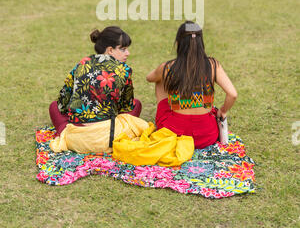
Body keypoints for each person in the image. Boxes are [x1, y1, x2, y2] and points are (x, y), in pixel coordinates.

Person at [49, 27, 144, 152]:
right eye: (123, 49)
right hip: (110, 139)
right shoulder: (124, 69)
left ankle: (65, 133)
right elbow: (126, 107)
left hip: (77, 140)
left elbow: (62, 104)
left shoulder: (82, 64)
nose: (128, 53)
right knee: (136, 104)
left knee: (54, 106)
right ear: (110, 50)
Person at [146, 21, 237, 149]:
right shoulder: (212, 65)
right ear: (201, 43)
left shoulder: (167, 67)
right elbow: (232, 94)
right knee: (202, 97)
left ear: (178, 43)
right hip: (206, 136)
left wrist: (162, 72)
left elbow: (149, 78)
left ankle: (172, 112)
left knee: (159, 80)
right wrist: (223, 110)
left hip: (173, 134)